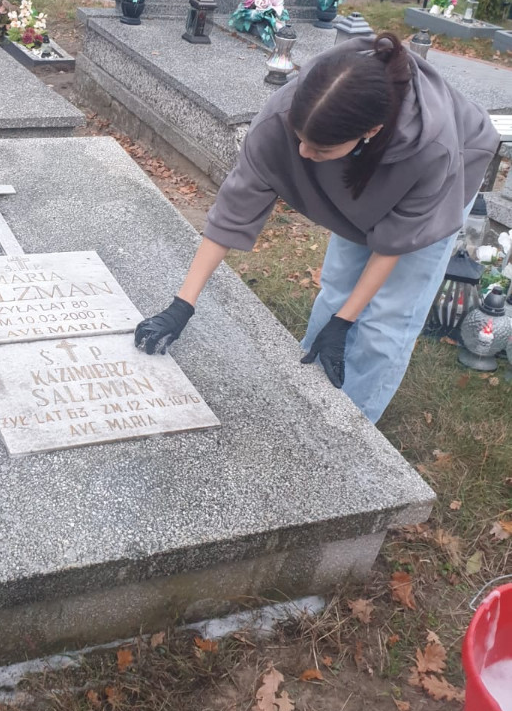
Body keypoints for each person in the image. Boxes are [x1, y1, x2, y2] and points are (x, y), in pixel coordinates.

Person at [135, 32, 500, 423]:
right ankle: (309, 397)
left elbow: (394, 243)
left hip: (444, 177)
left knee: (385, 322)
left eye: (320, 149)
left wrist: (345, 322)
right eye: (299, 139)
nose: (303, 153)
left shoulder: (432, 149)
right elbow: (233, 210)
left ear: (370, 131)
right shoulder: (289, 114)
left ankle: (349, 429)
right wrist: (183, 304)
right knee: (338, 288)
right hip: (362, 163)